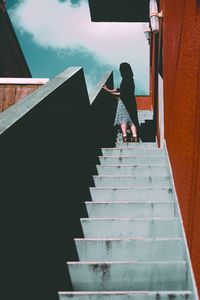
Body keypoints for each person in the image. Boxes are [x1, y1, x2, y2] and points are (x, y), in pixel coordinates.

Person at [103, 62, 140, 142]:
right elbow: (120, 90)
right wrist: (110, 90)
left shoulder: (124, 80)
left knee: (123, 119)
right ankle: (134, 134)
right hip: (131, 102)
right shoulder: (131, 80)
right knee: (132, 119)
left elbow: (121, 93)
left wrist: (109, 91)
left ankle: (124, 134)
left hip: (123, 103)